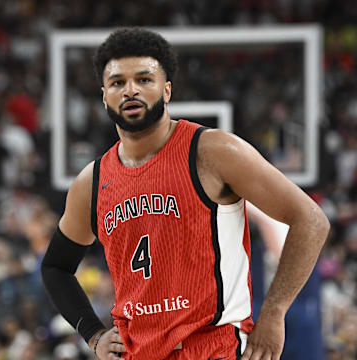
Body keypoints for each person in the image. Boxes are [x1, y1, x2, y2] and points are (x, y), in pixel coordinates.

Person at [41, 27, 330, 360]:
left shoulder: (214, 151)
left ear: (166, 91)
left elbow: (311, 220)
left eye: (144, 79)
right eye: (118, 82)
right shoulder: (91, 182)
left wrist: (274, 312)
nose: (130, 90)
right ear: (104, 95)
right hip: (138, 352)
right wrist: (94, 335)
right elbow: (55, 268)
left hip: (215, 348)